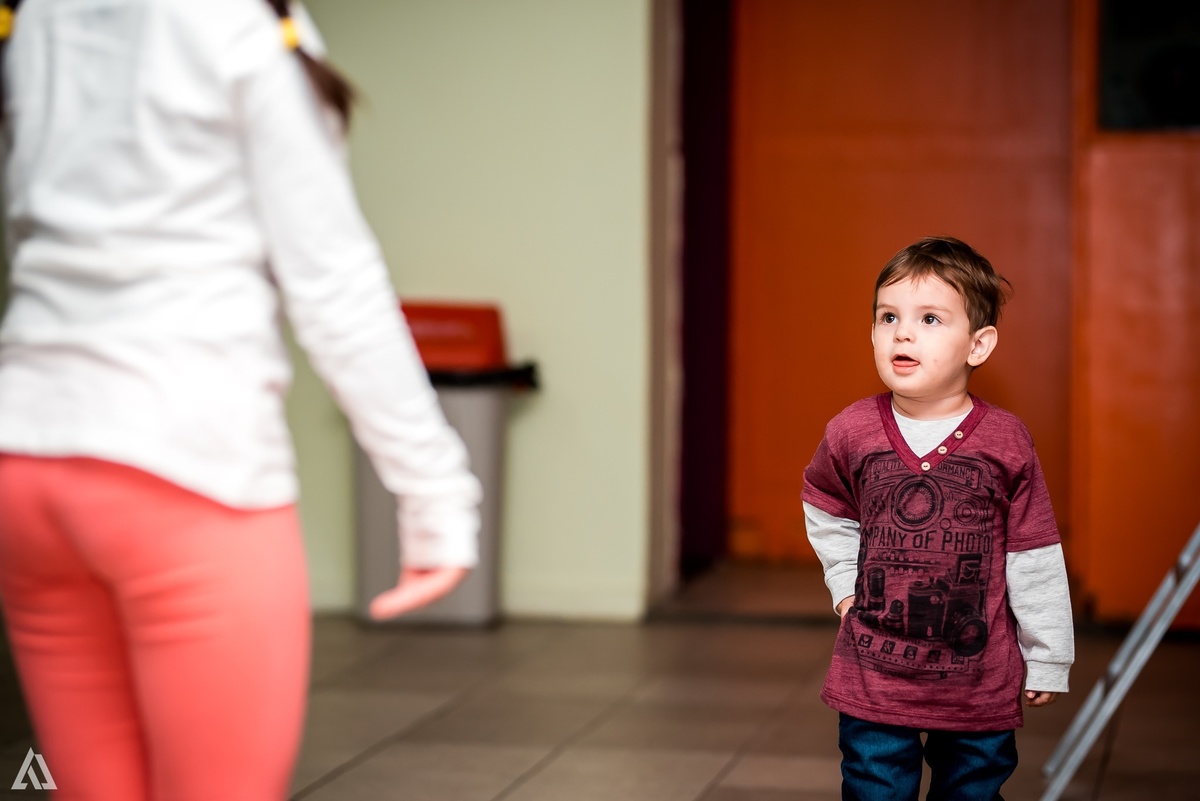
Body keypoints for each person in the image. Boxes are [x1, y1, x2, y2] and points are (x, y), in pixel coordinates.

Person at [0, 1, 480, 799]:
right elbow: (334, 287)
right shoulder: (235, 20)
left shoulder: (40, 15)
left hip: (25, 461)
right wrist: (435, 491)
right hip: (183, 465)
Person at [802, 236, 1074, 800]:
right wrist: (844, 585)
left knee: (970, 790)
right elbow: (825, 505)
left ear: (979, 345)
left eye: (930, 318)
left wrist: (1048, 654)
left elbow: (1034, 552)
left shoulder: (1006, 441)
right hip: (875, 673)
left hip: (977, 678)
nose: (902, 332)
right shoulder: (852, 431)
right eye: (888, 317)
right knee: (875, 788)